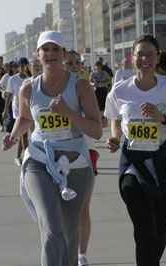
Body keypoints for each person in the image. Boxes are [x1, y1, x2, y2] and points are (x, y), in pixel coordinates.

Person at [1, 30, 102, 266]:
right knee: (52, 227)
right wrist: (13, 136)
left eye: (55, 49)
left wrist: (68, 113)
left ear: (64, 54)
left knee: (69, 230)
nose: (50, 54)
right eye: (45, 49)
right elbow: (26, 118)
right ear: (37, 55)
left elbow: (96, 131)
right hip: (39, 160)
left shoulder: (81, 87)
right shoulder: (28, 89)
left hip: (75, 163)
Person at [105, 34, 166, 266]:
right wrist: (115, 138)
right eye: (140, 54)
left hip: (164, 164)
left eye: (149, 54)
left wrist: (162, 118)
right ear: (132, 57)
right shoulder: (120, 90)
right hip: (133, 165)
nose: (144, 59)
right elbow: (115, 118)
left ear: (158, 58)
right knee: (145, 229)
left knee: (160, 232)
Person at [64, 49, 100, 266]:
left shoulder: (86, 88)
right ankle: (62, 251)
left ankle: (81, 255)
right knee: (59, 212)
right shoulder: (51, 89)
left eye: (77, 62)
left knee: (82, 210)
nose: (75, 66)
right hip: (57, 156)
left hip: (86, 152)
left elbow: (95, 123)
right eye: (69, 62)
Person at [3, 57, 30, 167]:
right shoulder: (13, 79)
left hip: (29, 108)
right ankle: (28, 158)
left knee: (23, 133)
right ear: (18, 67)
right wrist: (5, 111)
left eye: (25, 65)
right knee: (24, 134)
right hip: (17, 109)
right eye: (21, 66)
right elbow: (9, 95)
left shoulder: (31, 78)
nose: (23, 68)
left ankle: (18, 156)